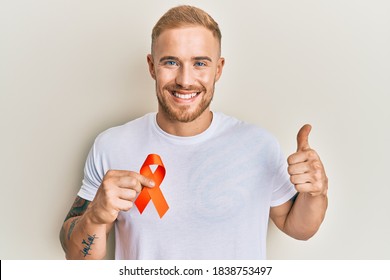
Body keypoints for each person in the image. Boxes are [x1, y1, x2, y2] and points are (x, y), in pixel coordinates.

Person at [59, 5, 328, 260]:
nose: (185, 80)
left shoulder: (258, 145)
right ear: (152, 66)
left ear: (218, 69)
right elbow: (77, 256)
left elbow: (299, 228)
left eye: (200, 63)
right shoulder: (112, 145)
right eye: (171, 62)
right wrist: (94, 217)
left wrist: (316, 193)